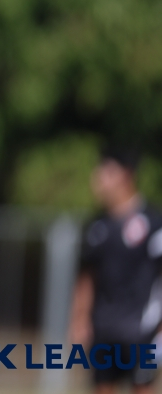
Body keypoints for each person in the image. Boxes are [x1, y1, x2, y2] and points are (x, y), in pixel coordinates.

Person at [70, 146, 162, 394]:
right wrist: (79, 320)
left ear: (126, 175)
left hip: (142, 328)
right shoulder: (97, 226)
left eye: (106, 172)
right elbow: (87, 276)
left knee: (142, 387)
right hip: (104, 327)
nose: (98, 180)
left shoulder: (154, 223)